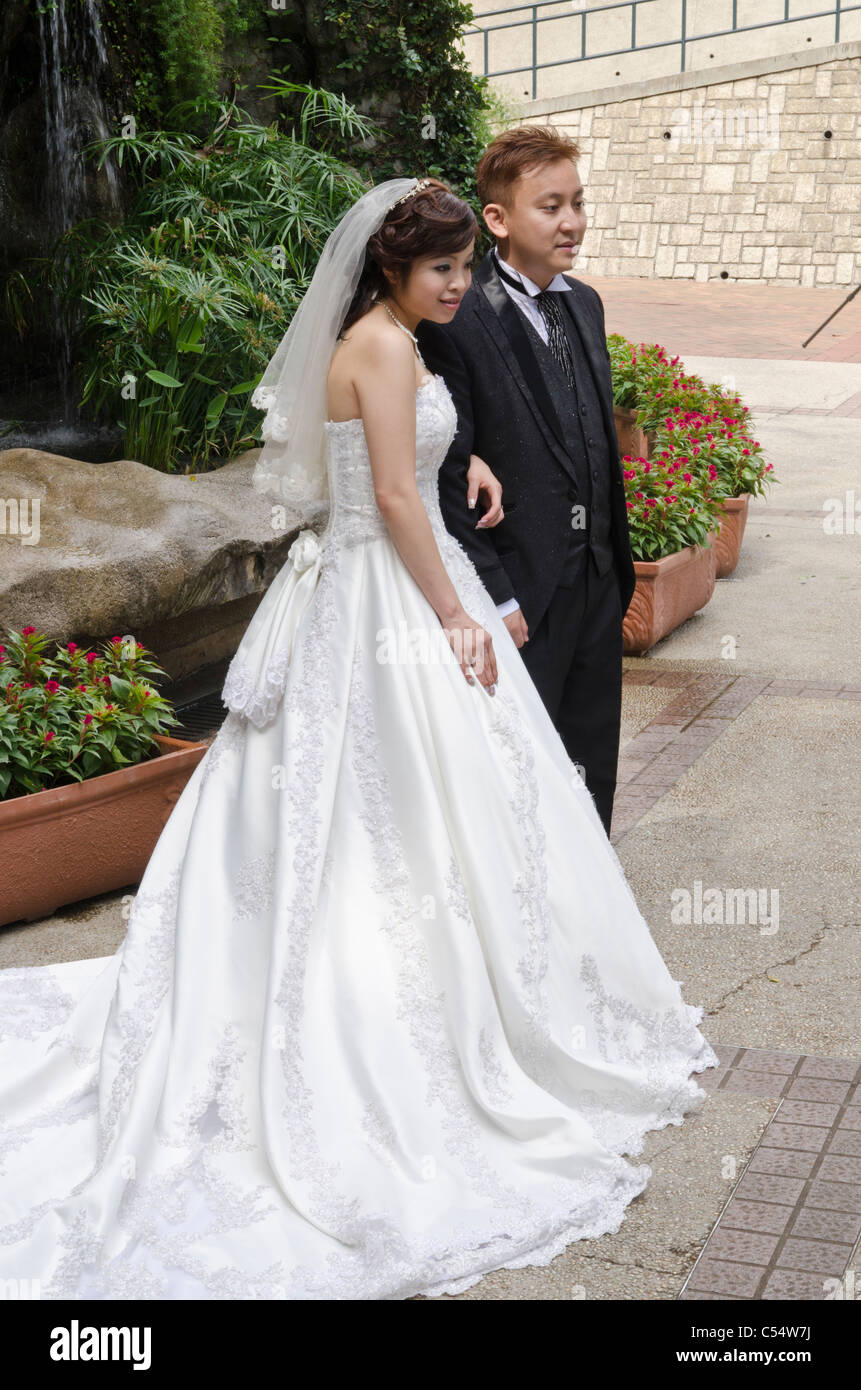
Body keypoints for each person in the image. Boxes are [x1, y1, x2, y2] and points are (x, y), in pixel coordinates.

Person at [0, 177, 717, 1302]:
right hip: (387, 592)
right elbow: (385, 495)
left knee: (423, 802)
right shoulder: (384, 348)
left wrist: (463, 462)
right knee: (390, 803)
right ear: (393, 269)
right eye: (446, 271)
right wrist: (449, 614)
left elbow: (408, 462)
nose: (462, 287)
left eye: (470, 270)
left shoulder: (388, 336)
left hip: (382, 573)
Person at [417, 127, 635, 836]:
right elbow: (448, 467)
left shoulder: (586, 303)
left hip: (598, 575)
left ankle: (593, 895)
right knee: (520, 762)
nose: (570, 221)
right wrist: (496, 591)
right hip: (522, 585)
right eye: (549, 206)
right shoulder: (459, 316)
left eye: (577, 202)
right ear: (499, 220)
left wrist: (612, 561)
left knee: (590, 754)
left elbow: (592, 435)